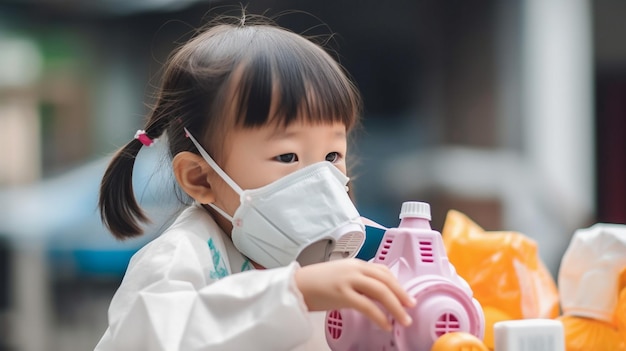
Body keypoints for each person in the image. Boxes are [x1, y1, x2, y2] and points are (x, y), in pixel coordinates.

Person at [95, 12, 415, 351]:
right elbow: (150, 337)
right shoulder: (180, 257)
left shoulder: (344, 259)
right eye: (288, 157)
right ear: (200, 178)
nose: (319, 178)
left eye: (332, 156)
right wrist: (295, 293)